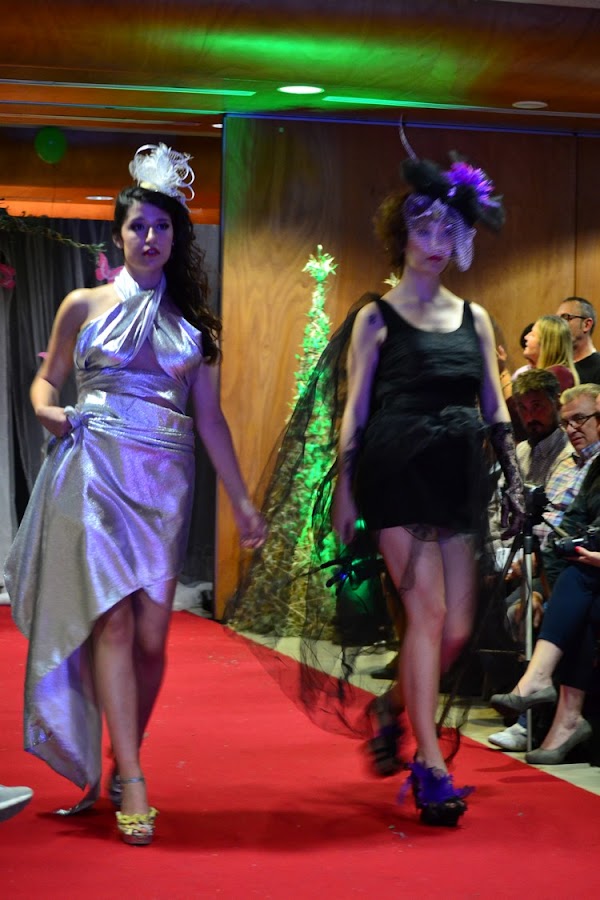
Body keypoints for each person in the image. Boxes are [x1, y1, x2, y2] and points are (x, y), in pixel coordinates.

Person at [4, 143, 266, 846]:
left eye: (161, 226)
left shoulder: (193, 325)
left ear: (176, 237)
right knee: (114, 625)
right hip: (92, 471)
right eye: (137, 226)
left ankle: (124, 753)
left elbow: (211, 420)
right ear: (118, 235)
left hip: (164, 484)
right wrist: (45, 408)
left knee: (152, 639)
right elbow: (46, 379)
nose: (149, 237)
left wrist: (241, 501)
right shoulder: (83, 304)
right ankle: (136, 777)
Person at [330, 150, 525, 826]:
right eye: (423, 228)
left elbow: (494, 402)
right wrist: (344, 487)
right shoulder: (376, 318)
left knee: (458, 628)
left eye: (448, 229)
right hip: (395, 469)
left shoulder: (475, 317)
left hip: (456, 475)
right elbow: (355, 409)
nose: (436, 241)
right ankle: (431, 767)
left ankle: (391, 710)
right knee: (430, 613)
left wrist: (513, 477)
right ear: (401, 235)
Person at [488, 381, 600, 751]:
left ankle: (538, 708)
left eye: (581, 419)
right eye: (568, 422)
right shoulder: (575, 463)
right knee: (569, 592)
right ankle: (558, 719)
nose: (572, 429)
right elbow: (568, 521)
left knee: (571, 591)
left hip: (575, 568)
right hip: (563, 562)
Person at [557, 296, 600, 384]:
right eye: (557, 320)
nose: (558, 325)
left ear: (586, 325)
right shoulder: (557, 367)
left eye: (565, 318)